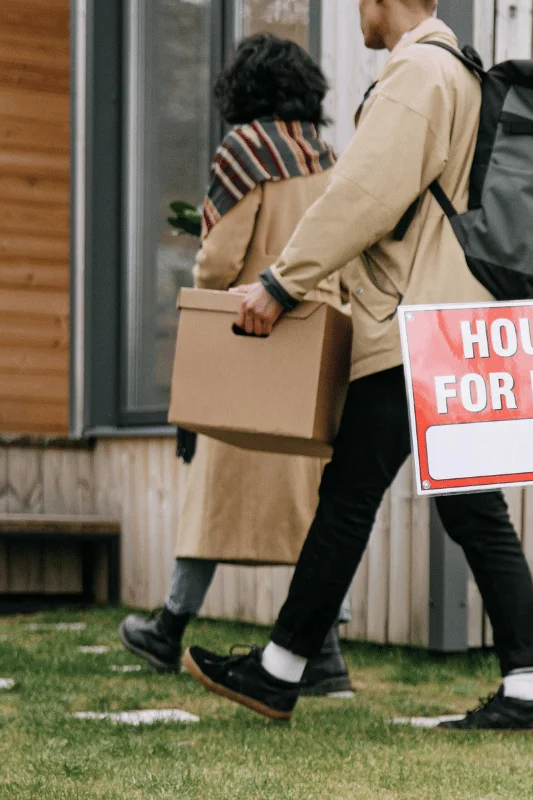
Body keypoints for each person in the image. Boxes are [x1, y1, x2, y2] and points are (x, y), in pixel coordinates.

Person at [182, 0, 533, 730]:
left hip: (413, 320)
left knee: (356, 496)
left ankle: (282, 668)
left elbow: (363, 195)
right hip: (450, 318)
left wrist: (282, 282)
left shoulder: (418, 70)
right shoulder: (458, 72)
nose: (355, 10)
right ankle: (527, 683)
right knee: (467, 506)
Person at [118, 34, 353, 697]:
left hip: (250, 332)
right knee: (309, 505)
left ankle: (169, 625)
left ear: (244, 90)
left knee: (213, 492)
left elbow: (220, 260)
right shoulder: (328, 157)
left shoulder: (245, 150)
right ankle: (327, 652)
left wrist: (206, 263)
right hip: (312, 345)